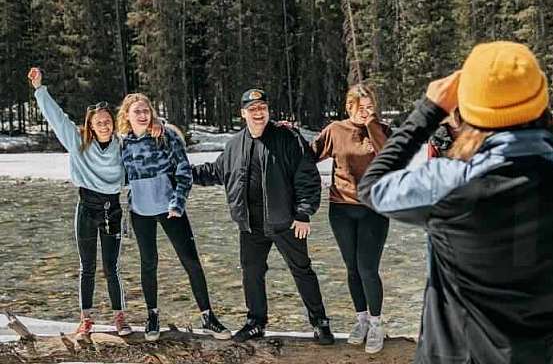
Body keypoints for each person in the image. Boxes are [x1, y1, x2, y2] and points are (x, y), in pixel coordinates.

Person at [358, 41, 553, 364]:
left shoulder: (447, 184)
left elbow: (374, 186)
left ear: (469, 110)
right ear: (540, 102)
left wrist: (429, 111)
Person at [192, 89, 335, 345]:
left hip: (285, 221)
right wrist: (183, 173)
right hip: (250, 224)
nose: (259, 113)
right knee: (251, 273)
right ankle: (256, 322)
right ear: (243, 113)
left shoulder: (287, 137)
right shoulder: (235, 144)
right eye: (253, 109)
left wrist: (303, 213)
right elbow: (216, 171)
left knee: (302, 271)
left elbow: (307, 177)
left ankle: (319, 322)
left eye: (262, 108)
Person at [27, 67, 133, 342]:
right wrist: (40, 89)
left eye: (107, 121)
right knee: (87, 266)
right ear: (90, 125)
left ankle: (119, 315)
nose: (104, 125)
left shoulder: (122, 146)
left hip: (112, 208)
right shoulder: (78, 143)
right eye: (98, 122)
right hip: (86, 207)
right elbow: (57, 119)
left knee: (112, 267)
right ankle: (86, 318)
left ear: (113, 123)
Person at [116, 93, 230, 341]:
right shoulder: (123, 144)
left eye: (146, 110)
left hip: (170, 209)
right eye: (137, 112)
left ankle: (208, 317)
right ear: (127, 115)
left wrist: (177, 203)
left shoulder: (165, 136)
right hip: (140, 212)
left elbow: (184, 173)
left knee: (191, 262)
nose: (143, 115)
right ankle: (152, 315)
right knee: (149, 264)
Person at [310, 84, 391, 353]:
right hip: (340, 208)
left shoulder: (380, 129)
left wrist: (372, 125)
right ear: (349, 106)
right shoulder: (335, 130)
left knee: (367, 268)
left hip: (373, 209)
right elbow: (310, 154)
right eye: (361, 107)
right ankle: (362, 320)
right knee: (352, 268)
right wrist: (287, 135)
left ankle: (378, 323)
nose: (367, 112)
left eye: (371, 107)